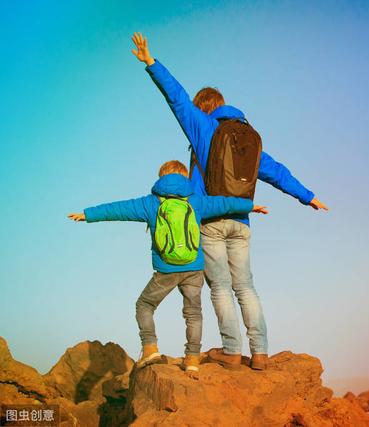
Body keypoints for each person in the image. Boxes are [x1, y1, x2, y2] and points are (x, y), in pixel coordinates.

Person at [131, 32, 328, 371]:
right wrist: (308, 197)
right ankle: (261, 353)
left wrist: (151, 62)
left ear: (203, 108)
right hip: (242, 221)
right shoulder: (248, 139)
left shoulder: (204, 128)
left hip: (211, 223)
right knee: (246, 287)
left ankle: (233, 352)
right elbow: (277, 171)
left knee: (220, 288)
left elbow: (176, 98)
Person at [68, 160, 268, 378]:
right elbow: (224, 204)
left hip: (166, 269)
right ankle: (192, 359)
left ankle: (150, 348)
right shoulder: (196, 201)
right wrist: (250, 206)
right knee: (193, 313)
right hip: (194, 268)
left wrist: (87, 215)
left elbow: (118, 209)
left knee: (144, 304)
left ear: (161, 177)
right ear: (185, 177)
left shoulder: (150, 203)